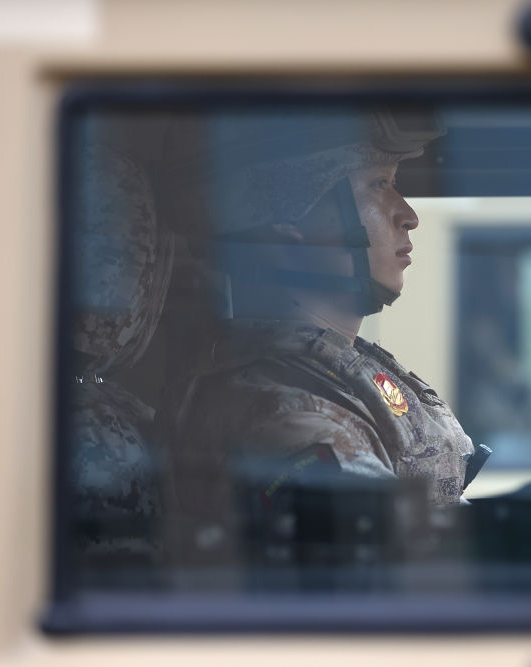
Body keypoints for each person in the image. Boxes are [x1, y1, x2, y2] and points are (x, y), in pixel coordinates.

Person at [160, 110, 475, 559]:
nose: (407, 215)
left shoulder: (328, 377)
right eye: (378, 185)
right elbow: (385, 577)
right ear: (288, 219)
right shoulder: (284, 413)